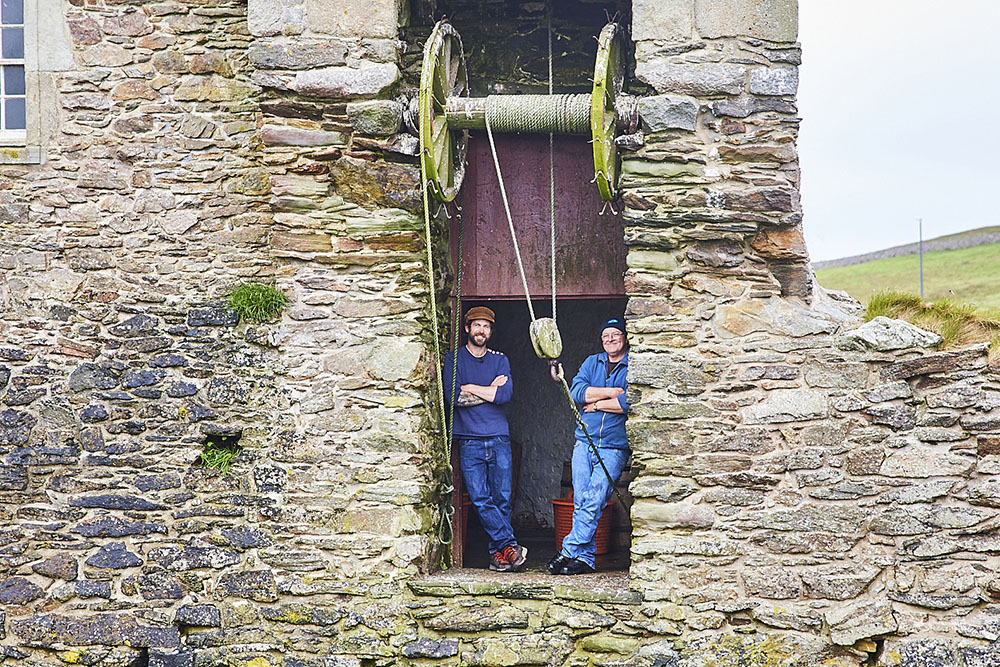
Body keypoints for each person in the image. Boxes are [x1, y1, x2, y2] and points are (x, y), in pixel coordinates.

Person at [443, 306, 527, 572]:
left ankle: (498, 555)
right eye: (477, 325)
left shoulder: (500, 360)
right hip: (469, 439)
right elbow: (453, 397)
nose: (482, 330)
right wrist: (489, 389)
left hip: (499, 437)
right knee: (480, 498)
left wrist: (470, 387)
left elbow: (504, 395)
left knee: (502, 498)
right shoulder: (454, 359)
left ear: (491, 331)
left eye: (486, 326)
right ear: (467, 328)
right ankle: (510, 546)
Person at [548, 317, 629, 575]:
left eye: (615, 335)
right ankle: (585, 560)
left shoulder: (633, 364)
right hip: (585, 442)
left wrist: (596, 404)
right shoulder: (592, 362)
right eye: (605, 336)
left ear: (624, 338)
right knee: (582, 501)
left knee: (594, 500)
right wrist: (611, 393)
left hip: (614, 446)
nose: (610, 340)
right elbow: (576, 392)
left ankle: (568, 550)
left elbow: (628, 402)